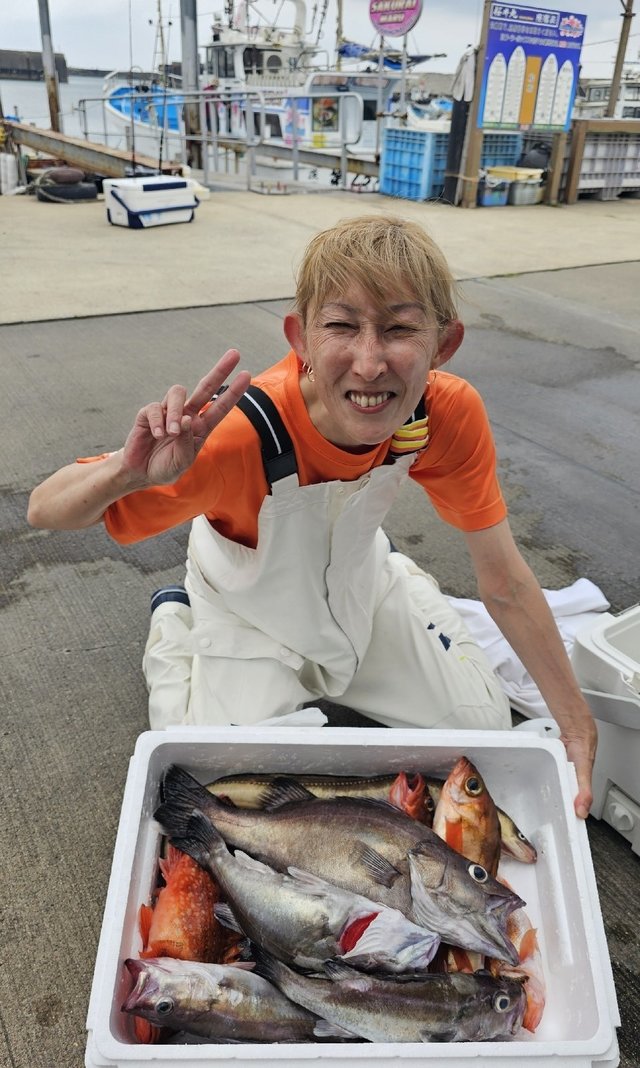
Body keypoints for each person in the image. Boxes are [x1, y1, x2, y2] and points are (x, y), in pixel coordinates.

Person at [27, 214, 596, 818]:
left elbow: (505, 580)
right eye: (342, 326)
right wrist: (128, 473)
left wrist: (575, 724)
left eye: (400, 328)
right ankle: (174, 618)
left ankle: (403, 583)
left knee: (483, 730)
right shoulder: (235, 435)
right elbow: (44, 509)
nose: (370, 364)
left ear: (444, 344)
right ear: (300, 337)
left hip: (362, 597)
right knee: (218, 788)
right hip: (250, 617)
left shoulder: (445, 414)